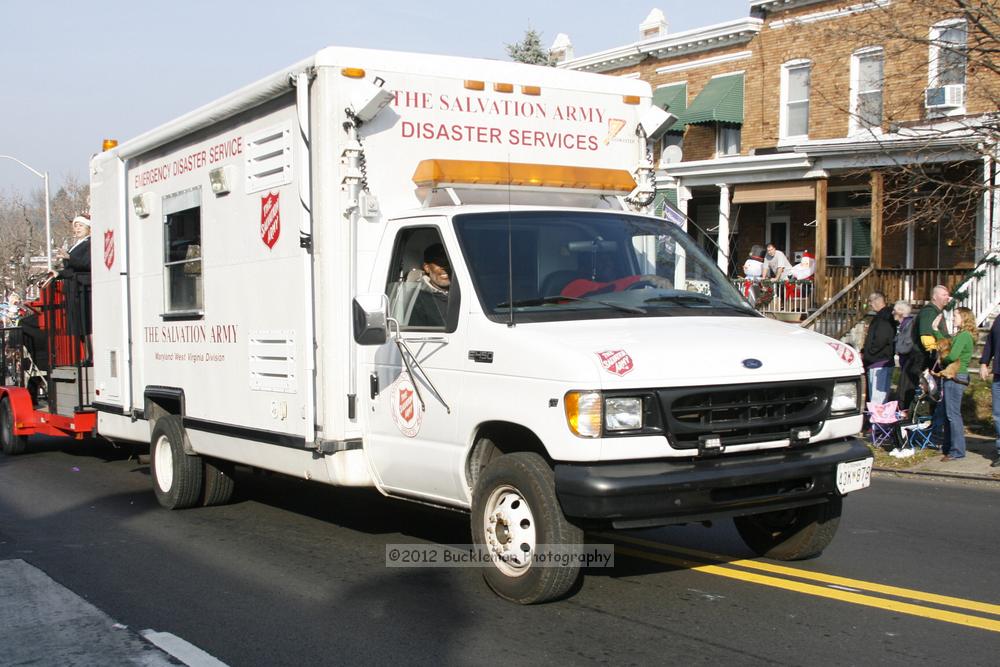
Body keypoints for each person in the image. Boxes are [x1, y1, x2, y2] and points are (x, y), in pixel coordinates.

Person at [904, 285, 951, 436]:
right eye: (944, 295)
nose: (947, 298)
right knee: (923, 395)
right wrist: (940, 350)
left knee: (932, 396)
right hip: (923, 363)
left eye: (947, 295)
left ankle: (930, 429)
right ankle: (916, 430)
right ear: (935, 296)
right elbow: (926, 338)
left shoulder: (937, 312)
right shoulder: (929, 312)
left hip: (930, 362)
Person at [46, 215, 93, 361]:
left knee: (87, 323)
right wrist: (58, 273)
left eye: (80, 225)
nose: (77, 228)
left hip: (84, 287)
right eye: (75, 225)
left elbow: (88, 264)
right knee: (79, 325)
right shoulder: (76, 244)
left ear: (89, 227)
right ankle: (86, 355)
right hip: (74, 288)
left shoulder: (91, 243)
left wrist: (69, 258)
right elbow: (72, 270)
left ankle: (91, 356)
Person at [936, 307, 975, 462]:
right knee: (948, 414)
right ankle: (948, 447)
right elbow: (946, 343)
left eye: (956, 316)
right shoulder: (960, 335)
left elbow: (952, 355)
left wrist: (942, 359)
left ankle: (957, 450)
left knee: (953, 415)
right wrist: (935, 330)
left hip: (956, 376)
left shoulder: (964, 336)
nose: (953, 319)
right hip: (953, 375)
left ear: (964, 318)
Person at [861, 291, 897, 404]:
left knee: (878, 400)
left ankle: (878, 422)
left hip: (880, 363)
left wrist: (869, 354)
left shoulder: (884, 317)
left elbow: (881, 339)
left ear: (876, 301)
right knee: (878, 398)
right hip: (879, 361)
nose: (870, 305)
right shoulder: (883, 316)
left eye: (870, 302)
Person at [408, 242, 451, 327]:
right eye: (440, 263)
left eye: (449, 263)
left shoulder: (466, 292)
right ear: (427, 267)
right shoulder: (417, 298)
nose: (445, 267)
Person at [978, 315, 1000, 467]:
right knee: (998, 415)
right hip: (998, 374)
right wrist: (984, 362)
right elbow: (990, 342)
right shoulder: (999, 319)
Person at [892, 301, 919, 409]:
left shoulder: (909, 325)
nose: (893, 312)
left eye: (895, 310)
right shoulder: (902, 326)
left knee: (904, 393)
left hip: (910, 363)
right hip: (905, 363)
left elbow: (907, 346)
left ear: (901, 312)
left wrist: (897, 348)